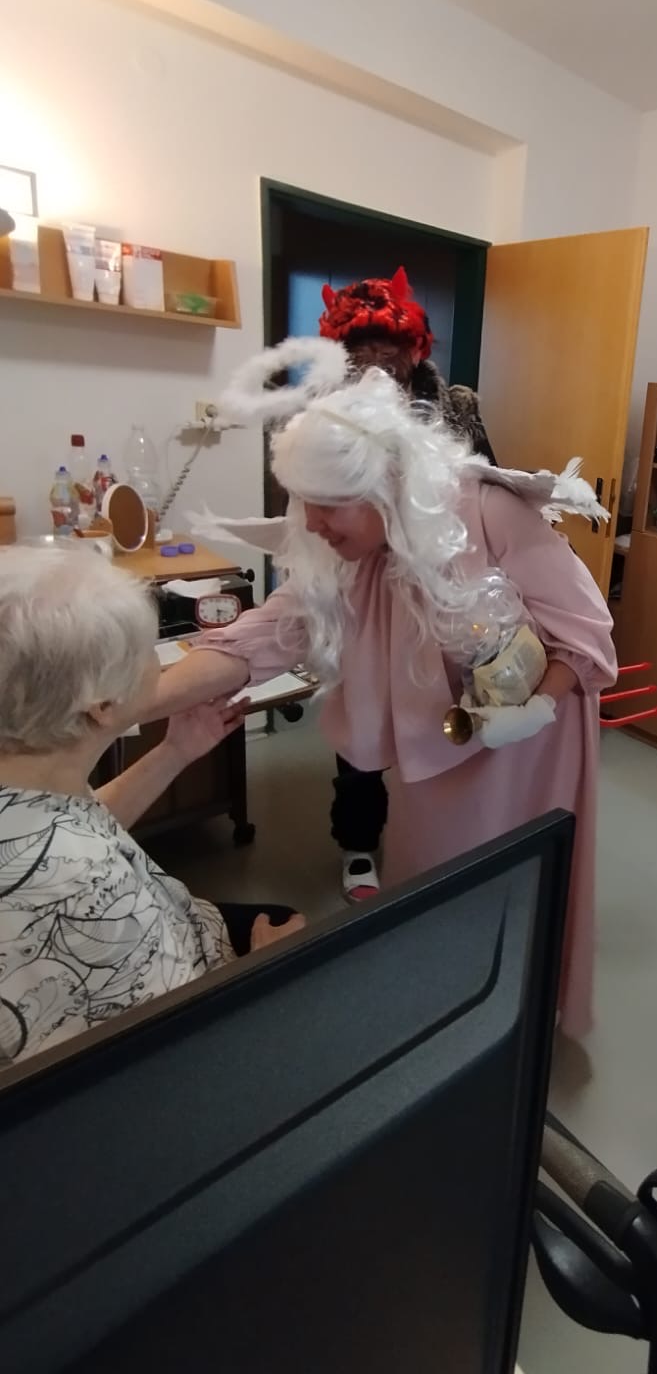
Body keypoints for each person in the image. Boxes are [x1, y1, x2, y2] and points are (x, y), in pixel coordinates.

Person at [150, 344, 616, 1038]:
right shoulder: (348, 553)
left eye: (327, 505)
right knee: (432, 876)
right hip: (443, 744)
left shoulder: (487, 510)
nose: (310, 522)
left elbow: (583, 629)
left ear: (381, 486)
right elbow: (263, 637)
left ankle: (511, 1022)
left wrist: (538, 705)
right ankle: (447, 1012)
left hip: (532, 751)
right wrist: (125, 704)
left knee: (512, 886)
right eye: (303, 501)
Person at [0, 546, 305, 1067]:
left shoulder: (34, 780)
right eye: (148, 650)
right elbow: (179, 1049)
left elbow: (75, 824)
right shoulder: (92, 896)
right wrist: (265, 968)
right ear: (102, 705)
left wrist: (175, 752)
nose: (165, 659)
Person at [316, 267, 496, 901]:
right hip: (362, 586)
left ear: (414, 351)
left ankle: (442, 834)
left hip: (439, 584)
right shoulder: (327, 415)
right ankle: (358, 842)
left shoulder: (457, 407)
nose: (374, 367)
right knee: (363, 717)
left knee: (441, 712)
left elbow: (488, 486)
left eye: (387, 353)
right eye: (358, 354)